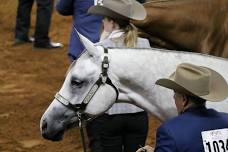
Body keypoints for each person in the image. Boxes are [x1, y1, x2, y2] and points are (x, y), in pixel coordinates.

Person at [88, 0, 151, 152]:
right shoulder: (144, 44)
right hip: (138, 115)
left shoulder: (100, 48)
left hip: (110, 116)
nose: (102, 22)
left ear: (112, 22)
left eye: (105, 19)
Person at [137, 63, 228, 152]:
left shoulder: (169, 131)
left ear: (184, 99)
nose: (174, 98)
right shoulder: (225, 119)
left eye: (175, 94)